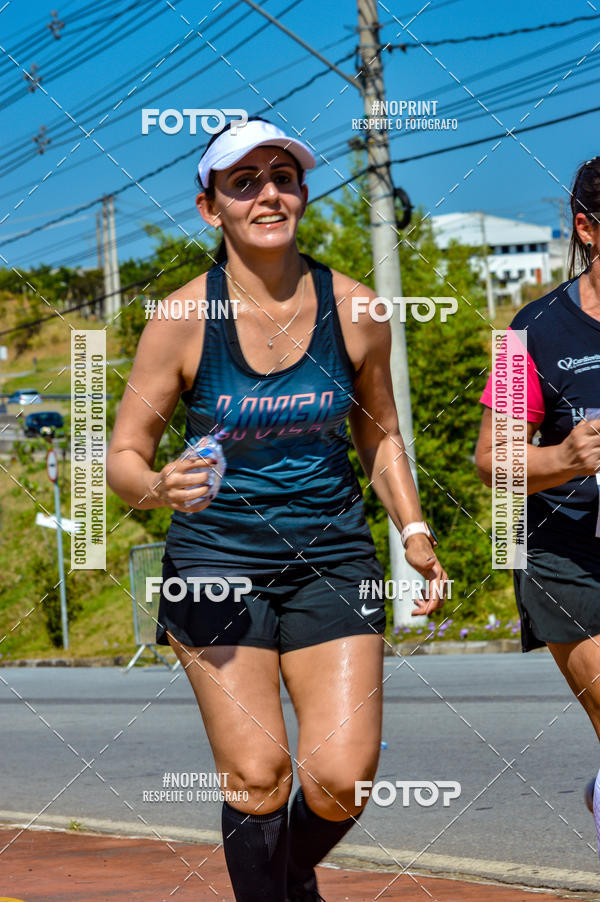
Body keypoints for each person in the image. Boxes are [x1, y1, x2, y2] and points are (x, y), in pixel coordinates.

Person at [107, 116, 448, 902]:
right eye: (244, 182)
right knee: (258, 774)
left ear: (301, 191)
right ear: (210, 207)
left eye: (283, 177)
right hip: (216, 562)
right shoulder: (182, 319)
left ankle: (286, 877)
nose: (268, 194)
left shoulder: (357, 310)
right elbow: (123, 457)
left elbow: (382, 434)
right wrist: (159, 486)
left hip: (331, 555)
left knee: (341, 780)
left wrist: (415, 531)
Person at [475, 156, 600, 853]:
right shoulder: (532, 329)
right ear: (586, 228)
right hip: (568, 558)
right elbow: (492, 458)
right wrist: (566, 459)